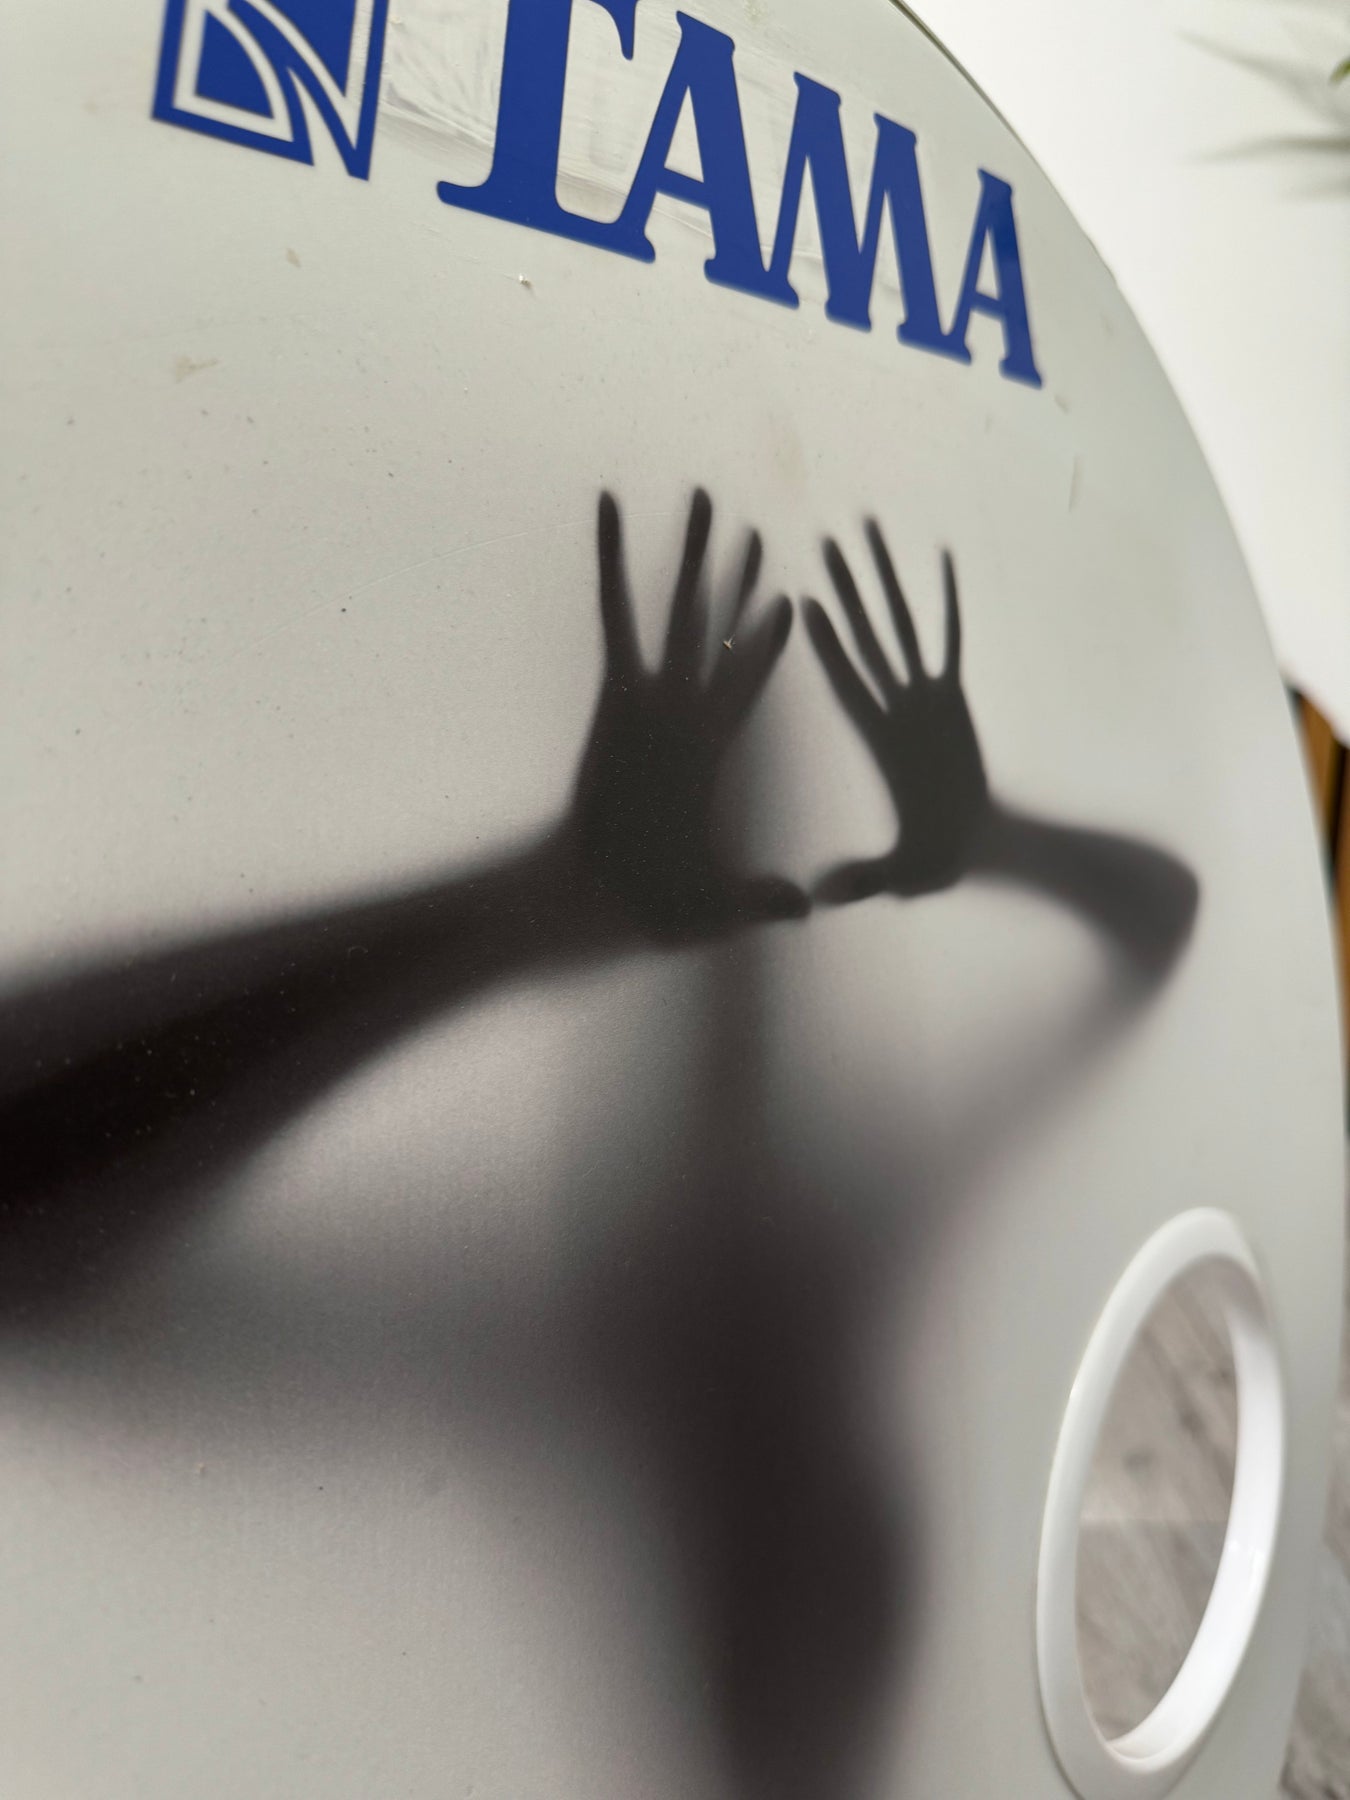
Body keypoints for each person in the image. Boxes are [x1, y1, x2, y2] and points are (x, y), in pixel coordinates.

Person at [0, 487, 1198, 1796]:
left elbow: (1163, 923)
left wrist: (531, 908)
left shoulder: (756, 1260)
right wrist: (533, 904)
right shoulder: (809, 1244)